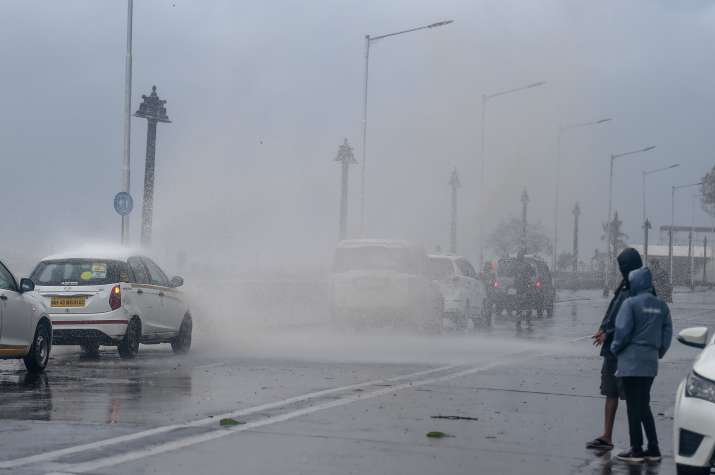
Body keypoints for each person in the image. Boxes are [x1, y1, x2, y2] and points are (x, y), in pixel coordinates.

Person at [610, 267, 672, 463]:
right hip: (650, 363)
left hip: (630, 362)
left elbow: (622, 332)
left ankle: (636, 449)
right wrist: (659, 351)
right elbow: (667, 333)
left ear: (635, 282)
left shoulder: (630, 304)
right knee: (643, 404)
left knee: (632, 406)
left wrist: (615, 348)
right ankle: (653, 447)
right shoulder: (661, 306)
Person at [586, 247, 642, 451]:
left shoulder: (638, 288)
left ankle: (636, 443)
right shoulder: (624, 286)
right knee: (611, 392)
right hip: (612, 351)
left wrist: (608, 332)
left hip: (626, 352)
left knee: (631, 398)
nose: (621, 269)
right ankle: (607, 436)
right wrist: (603, 328)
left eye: (623, 265)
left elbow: (627, 319)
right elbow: (613, 311)